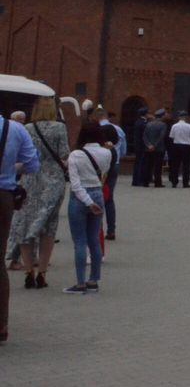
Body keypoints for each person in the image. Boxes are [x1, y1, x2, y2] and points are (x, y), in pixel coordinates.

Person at [8, 98, 68, 292]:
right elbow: (63, 153)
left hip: (30, 178)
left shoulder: (27, 128)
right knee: (48, 228)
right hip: (53, 181)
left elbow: (21, 154)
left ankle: (28, 272)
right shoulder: (60, 128)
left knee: (25, 222)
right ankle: (42, 273)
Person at [1, 109, 40, 341]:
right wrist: (12, 169)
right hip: (3, 196)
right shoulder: (14, 129)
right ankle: (1, 326)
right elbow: (32, 164)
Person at [64, 124, 113, 295]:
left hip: (80, 197)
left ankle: (79, 283)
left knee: (79, 242)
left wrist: (86, 201)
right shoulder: (107, 153)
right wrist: (93, 201)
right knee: (94, 239)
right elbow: (104, 171)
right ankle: (94, 280)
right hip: (97, 192)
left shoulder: (75, 154)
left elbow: (75, 183)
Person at [100, 109, 125, 238]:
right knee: (109, 198)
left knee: (97, 196)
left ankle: (96, 228)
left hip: (100, 165)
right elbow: (124, 150)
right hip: (114, 165)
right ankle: (111, 229)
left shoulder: (97, 128)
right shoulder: (118, 129)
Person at [168, 113, 190, 187]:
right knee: (186, 165)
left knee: (175, 164)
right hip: (186, 146)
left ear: (179, 117)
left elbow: (172, 137)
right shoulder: (189, 126)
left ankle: (174, 182)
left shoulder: (174, 126)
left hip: (176, 145)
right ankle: (185, 183)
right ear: (185, 117)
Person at [142, 108, 168, 188]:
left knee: (148, 165)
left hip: (148, 149)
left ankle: (146, 182)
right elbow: (161, 136)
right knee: (158, 166)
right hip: (159, 149)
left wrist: (149, 145)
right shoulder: (163, 125)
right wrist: (155, 145)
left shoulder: (148, 124)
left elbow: (144, 136)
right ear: (162, 116)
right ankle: (157, 182)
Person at [130, 108, 150, 186]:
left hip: (138, 145)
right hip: (142, 146)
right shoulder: (143, 123)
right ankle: (139, 180)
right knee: (141, 163)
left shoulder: (138, 121)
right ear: (145, 114)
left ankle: (136, 180)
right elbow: (144, 135)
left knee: (137, 163)